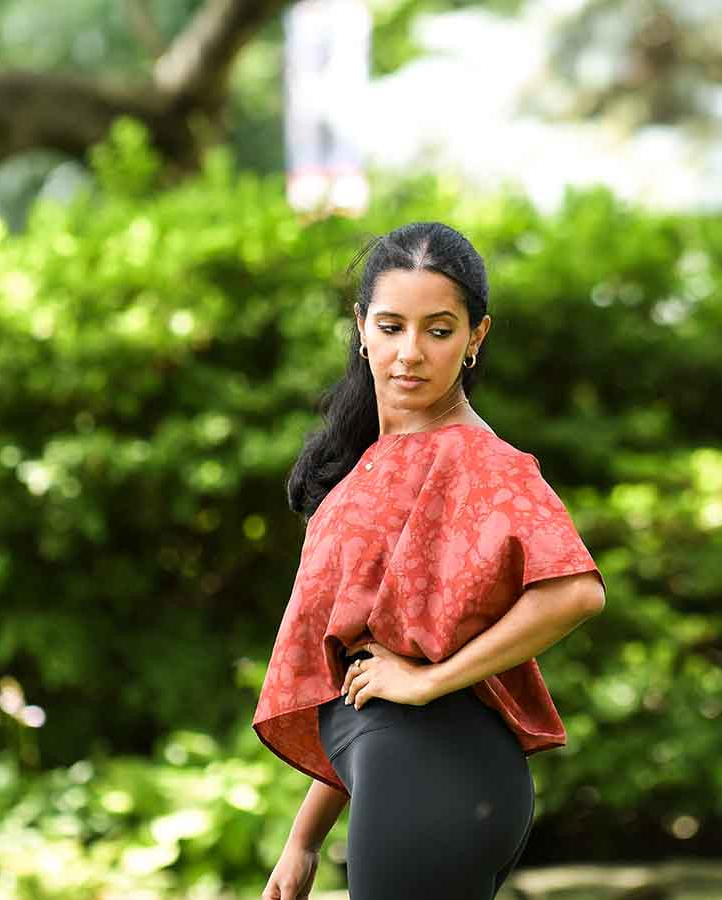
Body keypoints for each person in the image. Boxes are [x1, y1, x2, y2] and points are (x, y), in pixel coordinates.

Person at [256, 222, 607, 900]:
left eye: (439, 331)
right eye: (391, 326)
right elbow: (362, 670)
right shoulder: (368, 462)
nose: (409, 353)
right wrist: (305, 839)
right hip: (397, 773)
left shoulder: (479, 459)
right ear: (361, 327)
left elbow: (575, 593)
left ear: (476, 337)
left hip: (438, 776)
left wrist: (431, 679)